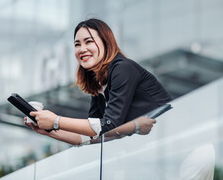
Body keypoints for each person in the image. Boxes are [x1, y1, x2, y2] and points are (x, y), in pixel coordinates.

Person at [25, 18, 172, 145]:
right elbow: (93, 134)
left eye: (88, 42)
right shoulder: (98, 82)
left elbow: (109, 125)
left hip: (172, 138)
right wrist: (50, 131)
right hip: (150, 147)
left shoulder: (123, 68)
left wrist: (56, 120)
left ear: (106, 42)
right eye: (77, 44)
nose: (82, 49)